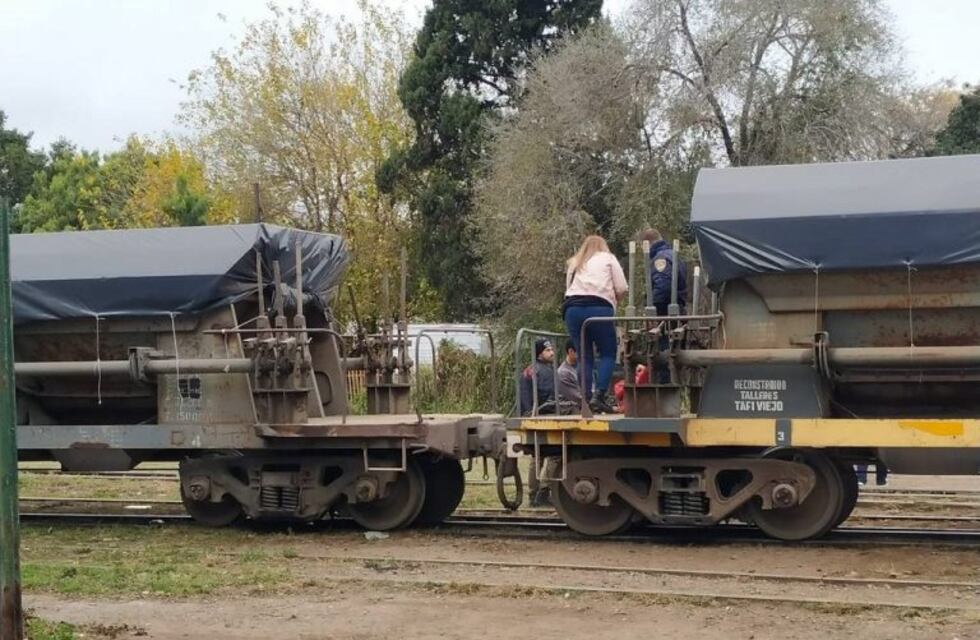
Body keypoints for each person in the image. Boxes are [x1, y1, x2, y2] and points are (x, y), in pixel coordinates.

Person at [562, 235, 628, 413]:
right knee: (607, 352)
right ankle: (599, 396)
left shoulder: (575, 262)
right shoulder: (608, 258)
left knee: (584, 355)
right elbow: (622, 287)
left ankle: (585, 398)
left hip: (572, 310)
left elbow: (568, 288)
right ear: (603, 246)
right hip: (599, 308)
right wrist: (615, 300)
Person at [641, 228, 687, 317]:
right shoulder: (673, 255)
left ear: (646, 244)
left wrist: (652, 308)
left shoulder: (660, 259)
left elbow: (663, 287)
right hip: (678, 308)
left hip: (665, 312)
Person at [519, 338, 557, 415]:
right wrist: (529, 413)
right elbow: (525, 394)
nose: (552, 353)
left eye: (552, 349)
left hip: (550, 412)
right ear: (539, 354)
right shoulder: (531, 371)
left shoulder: (550, 368)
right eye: (548, 350)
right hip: (540, 415)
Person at [556, 340, 581, 408]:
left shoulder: (584, 366)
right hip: (572, 408)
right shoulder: (563, 372)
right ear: (571, 351)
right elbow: (575, 397)